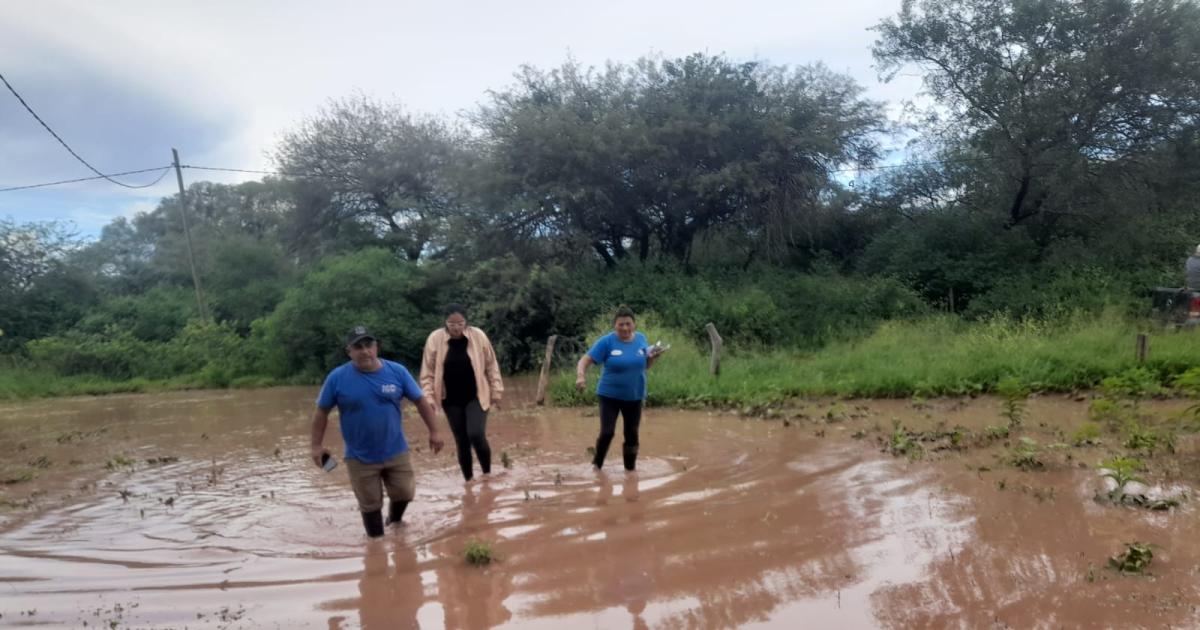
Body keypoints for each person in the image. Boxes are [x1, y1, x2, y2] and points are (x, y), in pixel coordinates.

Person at [310, 325, 445, 538]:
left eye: (368, 345)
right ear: (349, 351)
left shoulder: (397, 372)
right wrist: (316, 446)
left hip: (396, 450)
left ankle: (395, 521)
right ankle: (376, 545)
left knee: (405, 493)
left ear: (376, 347)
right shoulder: (337, 378)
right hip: (359, 456)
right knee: (370, 505)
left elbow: (420, 401)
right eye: (358, 347)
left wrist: (434, 431)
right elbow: (321, 412)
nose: (364, 351)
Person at [575, 306, 666, 472]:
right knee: (607, 432)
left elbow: (644, 366)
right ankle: (597, 466)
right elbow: (584, 360)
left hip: (634, 396)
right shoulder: (607, 341)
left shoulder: (641, 339)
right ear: (614, 325)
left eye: (628, 324)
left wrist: (653, 358)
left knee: (632, 435)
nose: (625, 328)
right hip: (609, 396)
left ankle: (630, 472)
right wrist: (581, 376)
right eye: (621, 324)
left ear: (634, 325)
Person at [420, 304, 504, 482]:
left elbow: (491, 364)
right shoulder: (435, 339)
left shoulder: (478, 336)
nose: (456, 328)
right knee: (462, 441)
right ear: (445, 322)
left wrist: (496, 390)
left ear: (466, 322)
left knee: (476, 434)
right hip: (450, 399)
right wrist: (428, 397)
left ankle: (487, 475)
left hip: (476, 395)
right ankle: (469, 481)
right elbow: (427, 373)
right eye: (452, 324)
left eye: (460, 323)